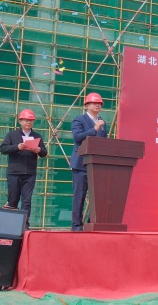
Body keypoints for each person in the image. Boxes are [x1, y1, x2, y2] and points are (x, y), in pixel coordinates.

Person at [0, 109, 48, 230]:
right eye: (26, 120)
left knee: (26, 200)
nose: (28, 122)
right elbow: (3, 149)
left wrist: (38, 150)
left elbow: (44, 152)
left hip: (30, 173)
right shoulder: (12, 135)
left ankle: (24, 226)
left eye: (31, 120)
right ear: (20, 121)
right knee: (13, 199)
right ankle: (10, 226)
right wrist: (17, 147)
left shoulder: (37, 136)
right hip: (14, 172)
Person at [70, 92, 107, 231]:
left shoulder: (102, 122)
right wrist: (94, 129)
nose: (97, 105)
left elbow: (103, 142)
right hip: (81, 164)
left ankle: (91, 224)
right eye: (94, 103)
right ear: (86, 105)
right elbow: (77, 137)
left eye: (99, 104)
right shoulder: (79, 120)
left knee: (96, 198)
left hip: (96, 165)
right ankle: (76, 226)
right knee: (79, 196)